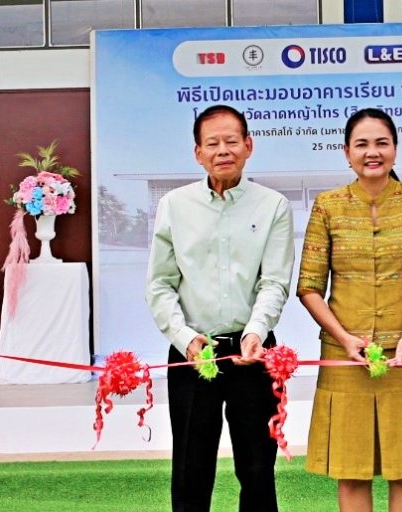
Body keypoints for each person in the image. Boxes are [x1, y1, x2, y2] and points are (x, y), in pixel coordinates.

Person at [297, 108, 402, 512]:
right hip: (345, 357)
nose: (373, 152)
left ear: (395, 149)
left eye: (381, 143)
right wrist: (343, 337)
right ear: (346, 152)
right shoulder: (327, 205)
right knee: (351, 469)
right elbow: (310, 287)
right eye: (362, 144)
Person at [146, 104, 294, 512]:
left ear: (249, 146)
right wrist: (184, 337)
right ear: (198, 153)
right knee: (191, 470)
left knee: (258, 468)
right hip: (194, 355)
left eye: (231, 141)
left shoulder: (273, 206)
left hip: (253, 354)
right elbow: (160, 284)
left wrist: (255, 331)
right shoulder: (174, 205)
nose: (223, 150)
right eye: (212, 143)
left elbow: (274, 282)